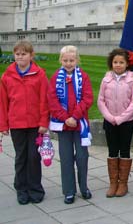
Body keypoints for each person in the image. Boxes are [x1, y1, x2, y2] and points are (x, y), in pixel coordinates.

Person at [0, 40, 49, 205]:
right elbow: (3, 102)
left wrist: (44, 122)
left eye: (24, 54)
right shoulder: (7, 76)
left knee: (34, 157)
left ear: (31, 55)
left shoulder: (39, 74)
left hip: (35, 124)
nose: (20, 57)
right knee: (21, 157)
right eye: (18, 54)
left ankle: (35, 188)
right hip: (17, 124)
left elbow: (44, 100)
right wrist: (3, 125)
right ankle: (21, 189)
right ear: (14, 55)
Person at [48, 45, 93, 204]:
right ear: (61, 60)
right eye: (65, 60)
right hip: (63, 125)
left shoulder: (84, 77)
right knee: (66, 158)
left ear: (77, 60)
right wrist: (65, 117)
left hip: (79, 124)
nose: (68, 63)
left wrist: (74, 116)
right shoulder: (55, 78)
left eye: (71, 60)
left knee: (82, 157)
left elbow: (87, 98)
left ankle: (84, 187)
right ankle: (69, 191)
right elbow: (52, 101)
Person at [97, 48, 133, 198]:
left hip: (126, 122)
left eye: (121, 62)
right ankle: (113, 182)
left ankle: (123, 183)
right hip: (110, 121)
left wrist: (121, 118)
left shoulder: (132, 80)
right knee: (112, 150)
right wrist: (109, 117)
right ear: (111, 63)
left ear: (127, 64)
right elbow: (101, 100)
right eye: (115, 62)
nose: (118, 65)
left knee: (125, 150)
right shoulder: (106, 79)